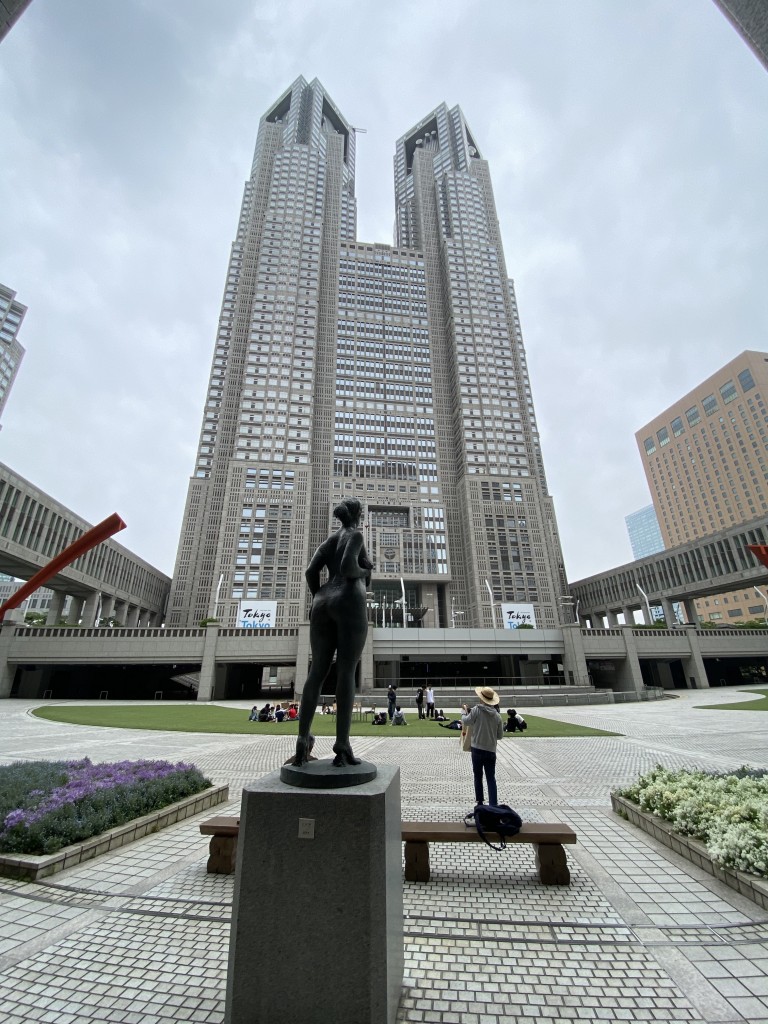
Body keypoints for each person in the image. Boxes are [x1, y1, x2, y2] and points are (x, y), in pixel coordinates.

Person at [291, 496, 373, 767]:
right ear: (358, 515)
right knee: (346, 671)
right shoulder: (356, 535)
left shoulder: (328, 541)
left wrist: (319, 597)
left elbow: (309, 572)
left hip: (323, 602)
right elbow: (350, 568)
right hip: (349, 601)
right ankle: (342, 744)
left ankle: (302, 739)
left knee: (317, 672)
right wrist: (366, 568)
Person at [461, 686, 504, 807]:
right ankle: (493, 805)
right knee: (491, 778)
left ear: (481, 698)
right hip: (490, 751)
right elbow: (500, 736)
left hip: (477, 749)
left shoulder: (476, 710)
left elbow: (466, 721)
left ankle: (480, 802)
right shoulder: (497, 716)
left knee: (478, 776)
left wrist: (463, 713)